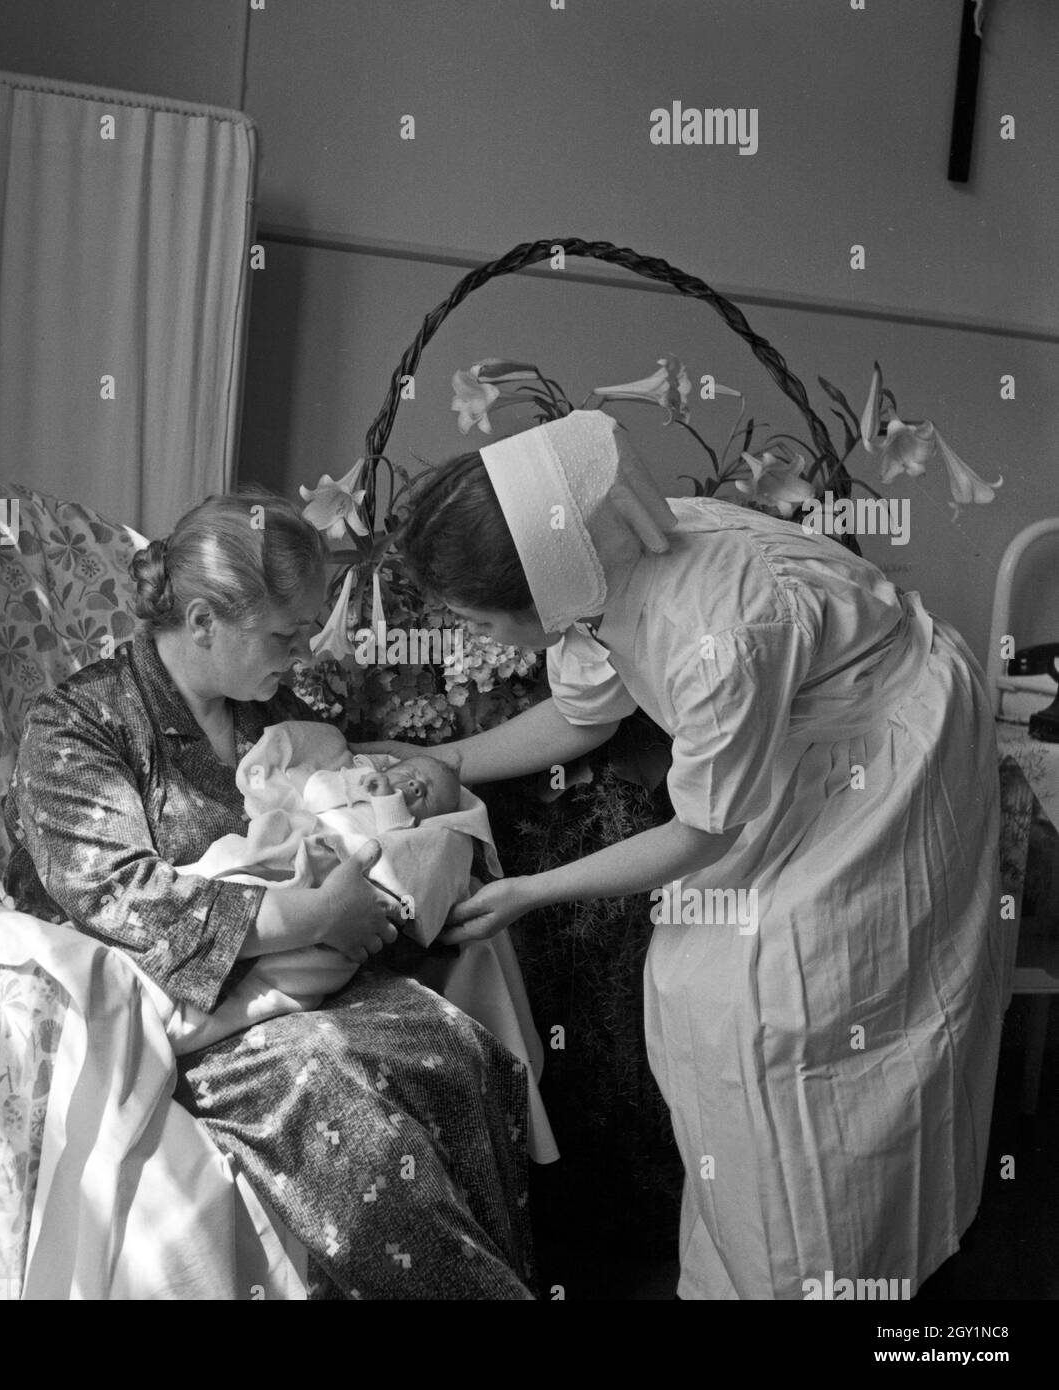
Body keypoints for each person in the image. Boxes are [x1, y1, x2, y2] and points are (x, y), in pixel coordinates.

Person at [369, 408, 1010, 1300]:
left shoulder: (713, 630)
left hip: (888, 749)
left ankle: (836, 1268)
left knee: (791, 1013)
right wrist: (444, 759)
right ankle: (748, 1262)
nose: (467, 631)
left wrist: (530, 891)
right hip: (801, 738)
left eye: (472, 615)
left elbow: (702, 830)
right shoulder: (600, 562)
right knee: (696, 996)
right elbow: (585, 714)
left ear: (535, 595)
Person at [2, 491, 535, 1299]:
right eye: (286, 636)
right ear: (205, 618)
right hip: (170, 1014)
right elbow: (117, 895)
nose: (301, 655)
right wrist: (313, 914)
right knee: (336, 1084)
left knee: (457, 1048)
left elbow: (347, 809)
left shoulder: (272, 713)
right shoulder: (82, 726)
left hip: (292, 982)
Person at [162, 719, 492, 1050]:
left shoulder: (407, 834)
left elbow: (401, 868)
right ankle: (175, 945)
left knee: (292, 979)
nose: (417, 788)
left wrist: (387, 798)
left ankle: (192, 1027)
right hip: (298, 854)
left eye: (428, 796)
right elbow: (315, 791)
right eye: (411, 776)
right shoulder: (350, 779)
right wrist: (357, 783)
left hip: (347, 893)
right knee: (237, 879)